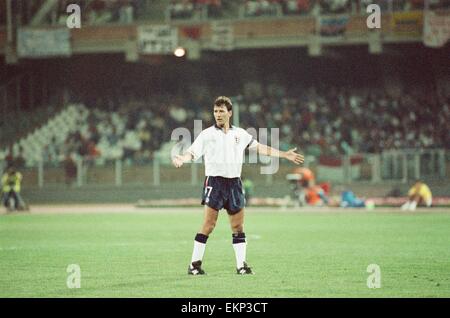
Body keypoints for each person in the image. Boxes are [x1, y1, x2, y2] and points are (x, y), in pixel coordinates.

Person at [172, 96, 304, 275]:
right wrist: (182, 158)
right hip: (215, 182)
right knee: (209, 225)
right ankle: (194, 265)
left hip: (234, 183)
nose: (218, 115)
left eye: (221, 111)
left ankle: (241, 266)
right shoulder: (207, 135)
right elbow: (192, 153)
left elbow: (260, 148)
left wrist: (284, 155)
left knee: (238, 227)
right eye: (216, 111)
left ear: (230, 113)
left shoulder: (240, 134)